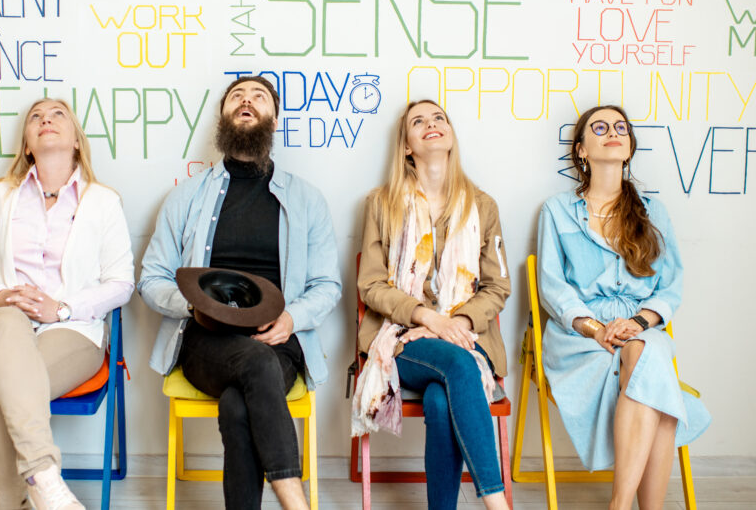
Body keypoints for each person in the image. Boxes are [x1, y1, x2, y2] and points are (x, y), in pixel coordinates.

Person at [138, 76, 341, 510]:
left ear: (273, 117)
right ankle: (297, 504)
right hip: (204, 342)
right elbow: (151, 278)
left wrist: (290, 319)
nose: (247, 101)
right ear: (224, 116)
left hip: (280, 340)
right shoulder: (186, 197)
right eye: (237, 96)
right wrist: (195, 306)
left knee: (236, 405)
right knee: (254, 364)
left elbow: (327, 285)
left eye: (259, 97)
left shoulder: (307, 200)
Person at [0, 98, 134, 510]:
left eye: (58, 115)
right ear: (26, 145)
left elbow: (121, 283)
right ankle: (44, 475)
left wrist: (64, 309)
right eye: (35, 117)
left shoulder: (103, 200)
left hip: (72, 331)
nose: (46, 120)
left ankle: (5, 502)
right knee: (9, 325)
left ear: (75, 141)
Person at [536, 105, 710, 510]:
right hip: (579, 336)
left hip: (643, 327)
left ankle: (619, 505)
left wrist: (635, 322)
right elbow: (553, 287)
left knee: (644, 350)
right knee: (658, 386)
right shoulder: (557, 211)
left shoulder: (653, 212)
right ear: (581, 150)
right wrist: (597, 328)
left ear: (629, 147)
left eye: (620, 128)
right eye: (600, 127)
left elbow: (670, 288)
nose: (612, 131)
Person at [351, 100, 511, 510]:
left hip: (467, 336)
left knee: (442, 400)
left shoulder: (484, 206)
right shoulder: (381, 204)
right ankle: (499, 504)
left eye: (440, 117)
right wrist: (426, 318)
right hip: (402, 340)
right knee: (456, 366)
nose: (432, 124)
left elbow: (497, 286)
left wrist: (453, 322)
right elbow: (370, 285)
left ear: (451, 135)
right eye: (418, 121)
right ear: (406, 146)